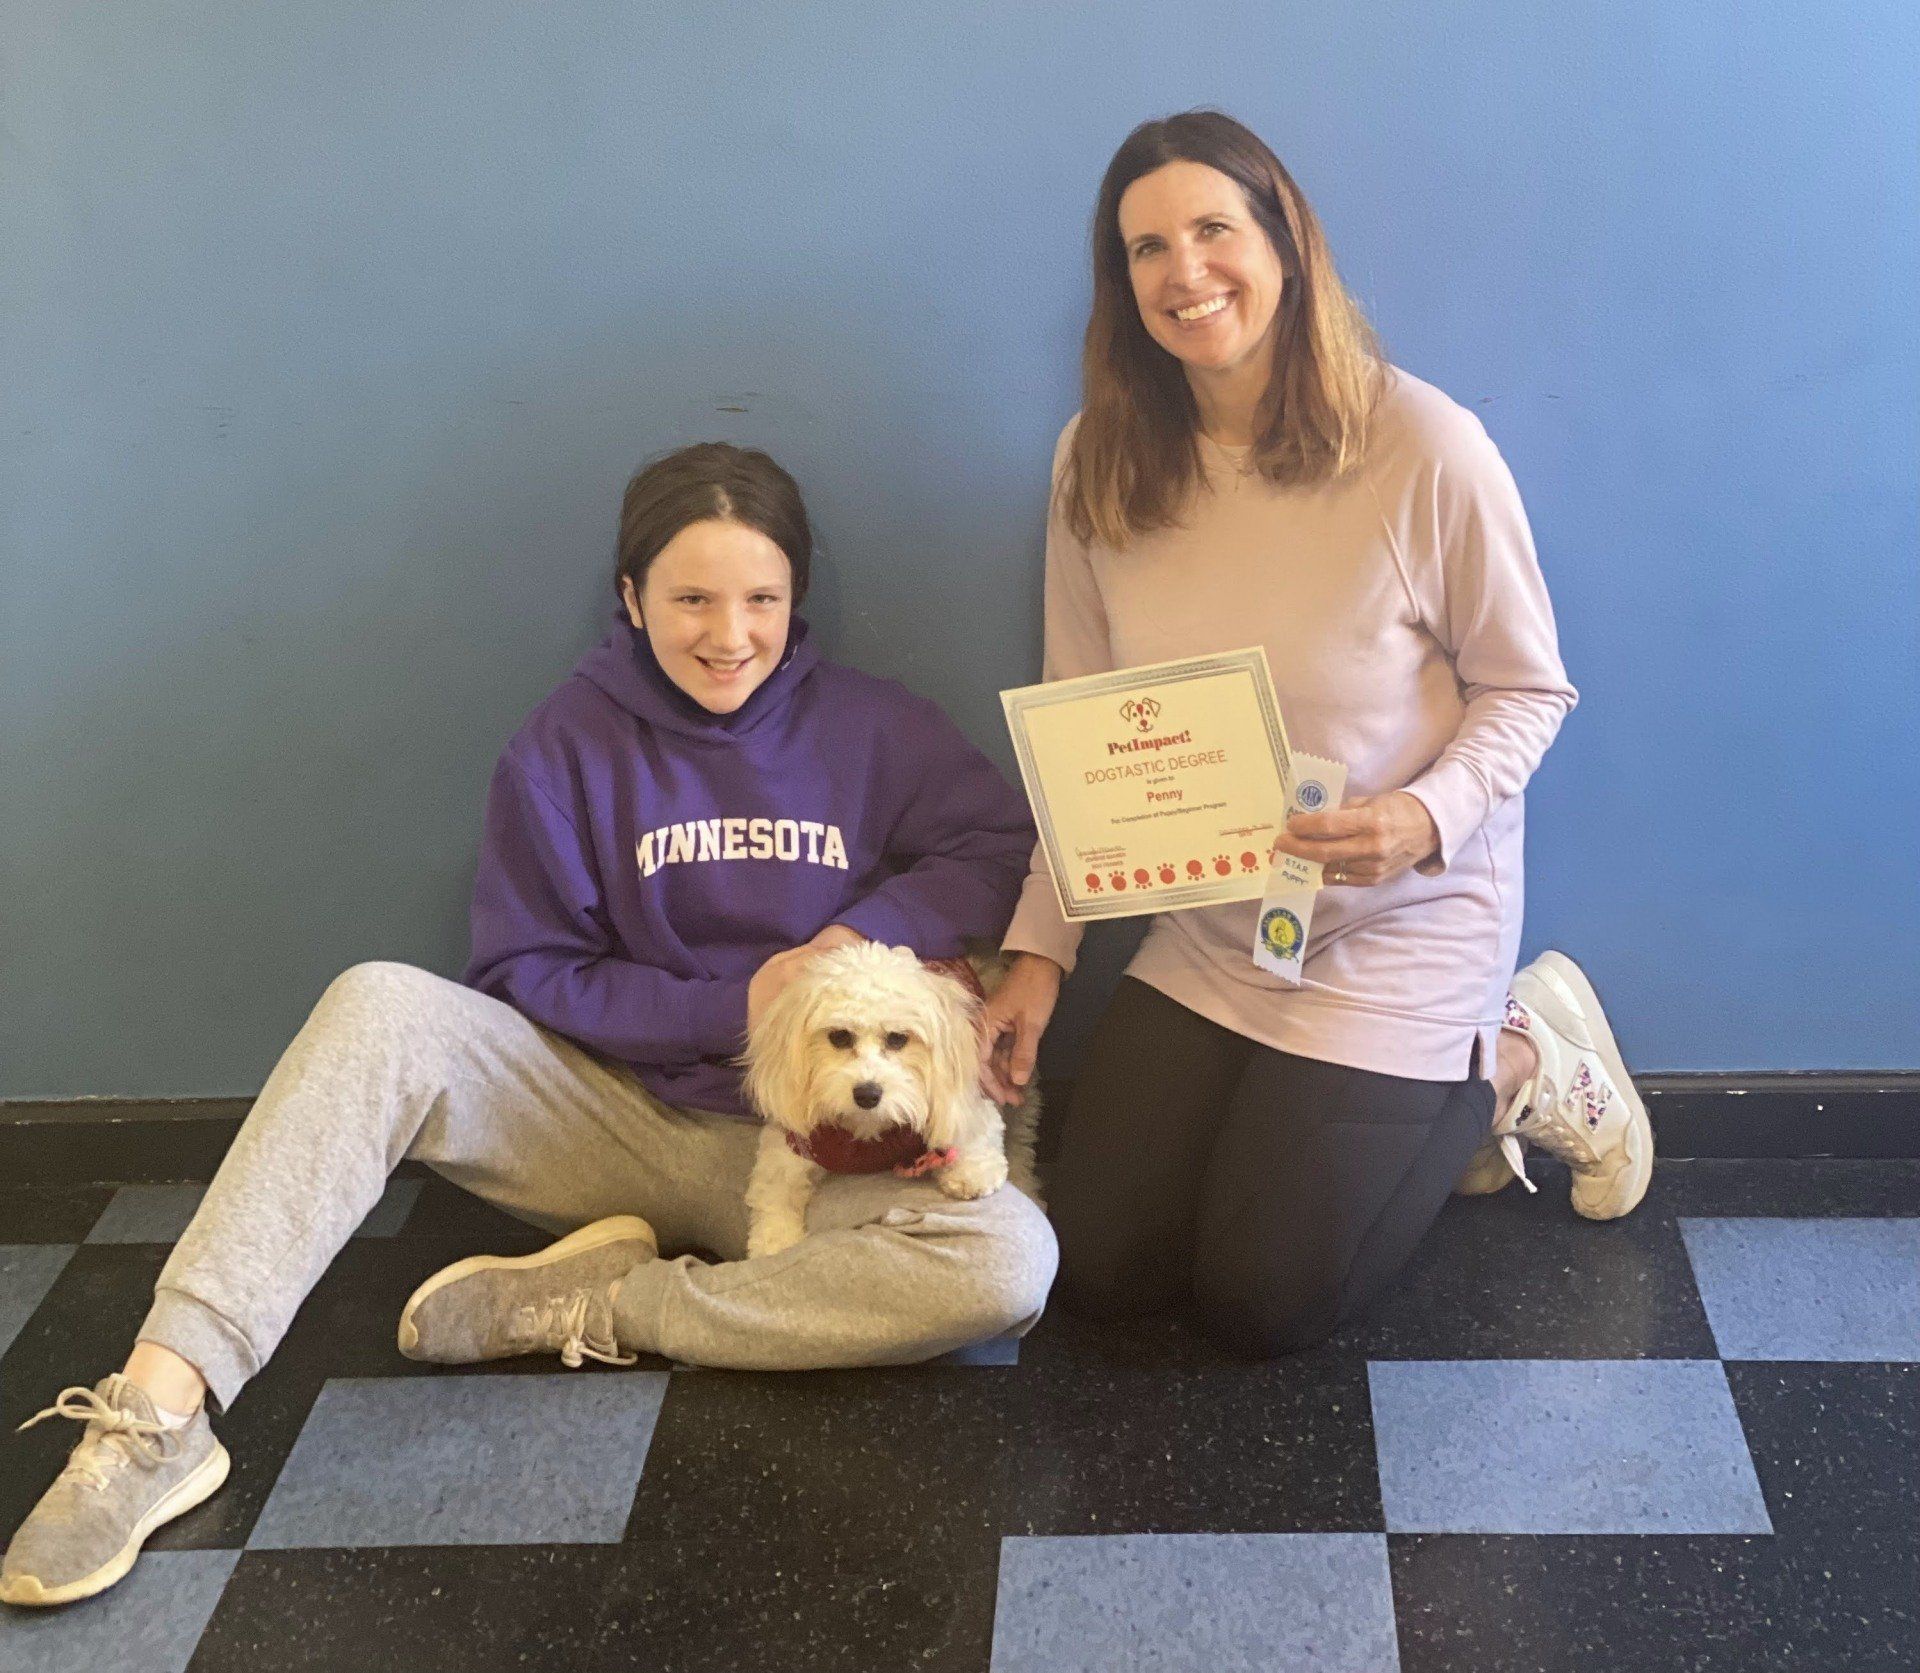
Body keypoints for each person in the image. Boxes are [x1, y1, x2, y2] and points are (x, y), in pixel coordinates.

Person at [2, 442, 1056, 1608]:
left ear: (797, 600)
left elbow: (996, 845)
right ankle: (159, 1410)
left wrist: (844, 947)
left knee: (1011, 1263)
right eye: (690, 598)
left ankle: (602, 1302)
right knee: (378, 1001)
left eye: (761, 598)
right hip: (620, 1117)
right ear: (630, 597)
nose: (729, 632)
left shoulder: (875, 727)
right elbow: (525, 972)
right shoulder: (565, 746)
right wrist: (730, 1001)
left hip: (828, 1155)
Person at [977, 110, 1651, 1359]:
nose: (1185, 273)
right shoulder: (1099, 466)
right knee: (1107, 1263)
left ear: (1286, 244)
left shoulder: (1422, 446)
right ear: (1119, 287)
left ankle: (1515, 1055)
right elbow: (1085, 738)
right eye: (1146, 249)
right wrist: (1039, 955)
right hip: (1218, 925)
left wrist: (1424, 816)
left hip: (1401, 927)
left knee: (1264, 1299)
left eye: (1214, 230)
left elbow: (1529, 688)